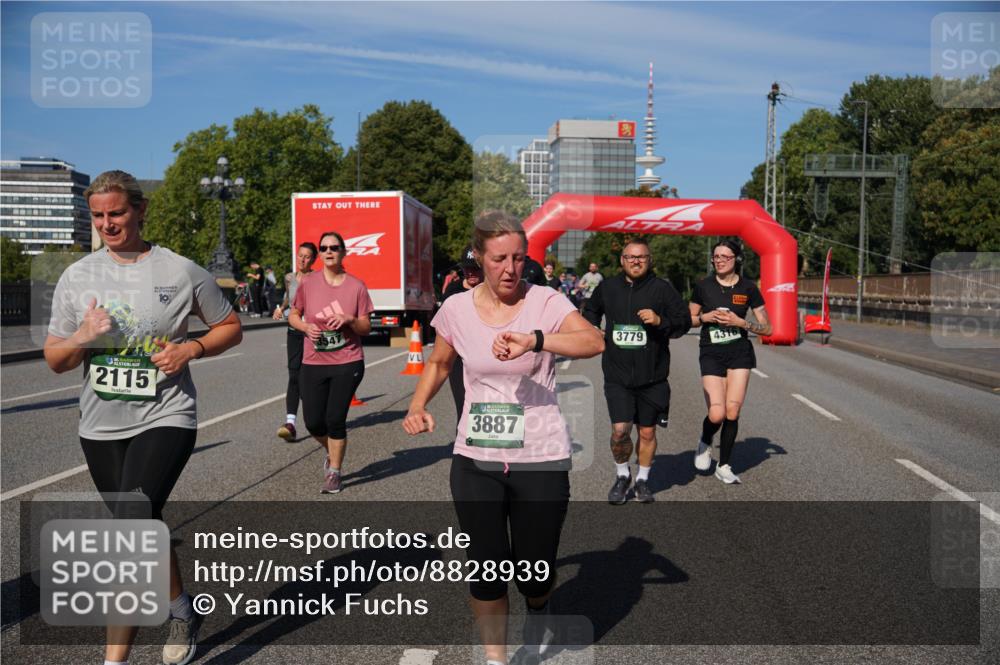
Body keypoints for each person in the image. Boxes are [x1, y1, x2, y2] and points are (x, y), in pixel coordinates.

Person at [43, 170, 243, 665]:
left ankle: (114, 661)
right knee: (142, 523)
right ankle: (182, 610)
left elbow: (231, 326)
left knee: (128, 532)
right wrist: (83, 336)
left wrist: (190, 349)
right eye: (98, 216)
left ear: (140, 210)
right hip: (100, 425)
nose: (108, 224)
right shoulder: (78, 276)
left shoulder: (178, 271)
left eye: (117, 212)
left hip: (165, 415)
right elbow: (55, 359)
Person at [402, 210, 604, 665]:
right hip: (476, 457)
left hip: (541, 456)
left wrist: (536, 340)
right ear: (479, 258)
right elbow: (438, 363)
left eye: (517, 258)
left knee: (533, 573)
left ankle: (539, 606)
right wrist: (417, 406)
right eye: (498, 259)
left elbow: (593, 341)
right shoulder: (455, 308)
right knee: (486, 568)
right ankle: (495, 659)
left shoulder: (547, 302)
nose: (510, 268)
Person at [583, 238, 690, 504]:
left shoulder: (662, 289)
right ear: (622, 260)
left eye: (641, 257)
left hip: (652, 377)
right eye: (630, 257)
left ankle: (642, 479)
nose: (635, 261)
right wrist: (594, 329)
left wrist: (660, 321)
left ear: (649, 260)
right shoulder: (608, 287)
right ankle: (622, 475)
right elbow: (591, 311)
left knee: (647, 433)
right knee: (620, 430)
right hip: (617, 375)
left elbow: (684, 322)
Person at [289, 231, 374, 494]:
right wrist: (305, 327)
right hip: (313, 361)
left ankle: (334, 472)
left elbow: (366, 327)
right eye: (323, 248)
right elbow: (294, 314)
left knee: (335, 418)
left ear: (343, 252)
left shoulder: (356, 286)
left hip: (347, 361)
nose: (328, 251)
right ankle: (332, 451)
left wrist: (349, 319)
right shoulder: (308, 283)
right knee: (314, 422)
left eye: (334, 247)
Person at [689, 240, 771, 484]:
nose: (720, 260)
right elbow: (689, 319)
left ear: (737, 259)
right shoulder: (703, 286)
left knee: (732, 412)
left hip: (739, 353)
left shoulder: (748, 288)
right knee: (717, 414)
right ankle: (705, 440)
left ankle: (724, 465)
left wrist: (742, 323)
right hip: (711, 352)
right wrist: (705, 317)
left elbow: (768, 328)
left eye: (725, 256)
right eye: (716, 256)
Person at [273, 241, 318, 441]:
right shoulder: (290, 278)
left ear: (313, 259)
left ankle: (319, 416)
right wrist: (281, 309)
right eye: (300, 255)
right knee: (294, 375)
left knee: (310, 376)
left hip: (312, 334)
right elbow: (288, 298)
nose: (302, 259)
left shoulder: (318, 279)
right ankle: (290, 423)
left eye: (307, 256)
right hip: (293, 331)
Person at [441, 245, 483, 418]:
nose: (471, 272)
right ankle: (463, 444)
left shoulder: (494, 290)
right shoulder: (453, 291)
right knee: (464, 408)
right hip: (460, 358)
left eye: (475, 268)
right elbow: (443, 327)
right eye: (467, 268)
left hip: (489, 356)